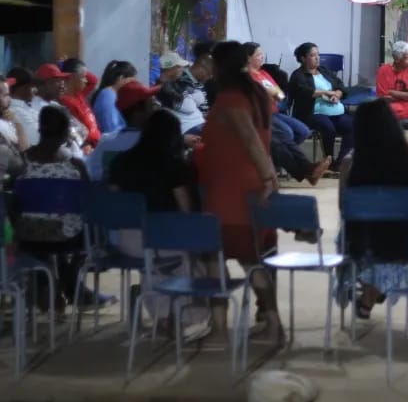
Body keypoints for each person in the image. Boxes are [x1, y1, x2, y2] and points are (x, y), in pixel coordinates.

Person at [196, 41, 281, 345]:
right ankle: (269, 323)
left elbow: (249, 138)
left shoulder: (231, 99)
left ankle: (231, 327)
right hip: (246, 184)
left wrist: (268, 177)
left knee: (221, 256)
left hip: (232, 188)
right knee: (247, 257)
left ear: (220, 67)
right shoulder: (256, 93)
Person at [109, 110, 205, 332]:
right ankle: (177, 318)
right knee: (187, 261)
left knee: (153, 267)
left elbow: (114, 205)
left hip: (129, 242)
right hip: (166, 240)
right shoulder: (175, 166)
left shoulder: (120, 162)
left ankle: (161, 316)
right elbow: (186, 211)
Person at [339, 99, 408, 318]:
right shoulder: (406, 161)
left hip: (359, 239)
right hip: (400, 241)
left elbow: (343, 206)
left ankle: (369, 292)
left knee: (357, 238)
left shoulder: (351, 162)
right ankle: (372, 293)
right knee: (388, 242)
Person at [16, 105, 94, 311]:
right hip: (67, 237)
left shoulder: (22, 162)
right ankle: (70, 282)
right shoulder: (75, 165)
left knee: (42, 226)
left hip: (28, 236)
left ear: (40, 129)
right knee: (88, 230)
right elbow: (88, 200)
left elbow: (14, 201)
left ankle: (47, 284)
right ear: (66, 132)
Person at [288, 42, 352, 171]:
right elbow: (303, 91)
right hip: (313, 113)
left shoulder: (324, 70)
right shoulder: (298, 75)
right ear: (303, 58)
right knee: (328, 128)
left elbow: (340, 85)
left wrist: (337, 95)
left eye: (318, 54)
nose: (317, 58)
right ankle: (329, 160)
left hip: (336, 111)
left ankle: (340, 161)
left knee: (354, 126)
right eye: (312, 55)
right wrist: (324, 93)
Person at [86, 81, 161, 182]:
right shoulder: (156, 142)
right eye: (151, 105)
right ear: (138, 112)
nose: (155, 108)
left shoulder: (105, 141)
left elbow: (93, 176)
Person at [246, 41, 310, 145]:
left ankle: (285, 155)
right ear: (248, 58)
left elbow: (280, 95)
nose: (262, 57)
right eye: (258, 55)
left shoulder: (263, 73)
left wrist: (273, 95)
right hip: (261, 115)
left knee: (303, 132)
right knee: (288, 133)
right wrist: (269, 95)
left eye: (262, 54)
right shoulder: (246, 77)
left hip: (274, 112)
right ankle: (283, 156)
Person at [57, 58, 101, 148]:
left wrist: (69, 65)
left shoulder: (79, 94)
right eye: (83, 77)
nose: (86, 80)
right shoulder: (65, 101)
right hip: (88, 146)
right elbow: (76, 131)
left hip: (98, 142)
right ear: (73, 77)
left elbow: (94, 80)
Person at [91, 60, 137, 134]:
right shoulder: (107, 95)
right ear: (121, 78)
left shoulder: (111, 95)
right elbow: (110, 129)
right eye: (132, 82)